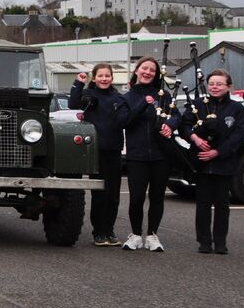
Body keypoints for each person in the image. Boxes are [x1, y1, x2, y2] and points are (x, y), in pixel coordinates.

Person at [179, 69, 244, 254]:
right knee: (203, 203)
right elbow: (184, 125)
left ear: (228, 86)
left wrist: (217, 152)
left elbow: (238, 136)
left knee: (222, 204)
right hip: (201, 161)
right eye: (212, 84)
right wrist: (195, 139)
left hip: (224, 162)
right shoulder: (198, 104)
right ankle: (204, 241)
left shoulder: (237, 109)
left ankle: (220, 241)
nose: (215, 87)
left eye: (219, 84)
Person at [68, 64, 129, 246]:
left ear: (112, 78)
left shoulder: (118, 97)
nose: (104, 79)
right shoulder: (89, 96)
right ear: (94, 78)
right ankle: (98, 232)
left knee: (113, 194)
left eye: (107, 76)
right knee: (100, 193)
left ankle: (109, 230)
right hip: (96, 150)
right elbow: (73, 103)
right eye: (100, 76)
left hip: (115, 149)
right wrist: (78, 83)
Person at [122, 56, 176, 252]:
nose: (147, 72)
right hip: (137, 155)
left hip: (161, 155)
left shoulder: (164, 96)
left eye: (152, 70)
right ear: (137, 70)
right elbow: (124, 121)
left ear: (156, 74)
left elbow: (175, 115)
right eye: (144, 68)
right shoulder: (127, 97)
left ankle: (152, 235)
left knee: (157, 197)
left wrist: (170, 126)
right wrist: (143, 104)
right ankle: (136, 234)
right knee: (136, 197)